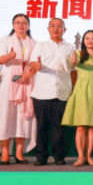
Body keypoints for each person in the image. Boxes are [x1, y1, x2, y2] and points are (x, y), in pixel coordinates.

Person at [29, 18, 75, 166]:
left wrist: (73, 89)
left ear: (64, 30)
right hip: (42, 92)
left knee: (59, 127)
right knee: (41, 127)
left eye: (59, 26)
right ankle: (41, 156)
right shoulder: (40, 45)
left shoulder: (70, 47)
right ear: (48, 29)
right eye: (52, 26)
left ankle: (59, 156)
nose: (55, 28)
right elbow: (32, 62)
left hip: (62, 92)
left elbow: (74, 70)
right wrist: (35, 65)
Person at [61, 30, 93, 167]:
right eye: (87, 38)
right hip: (81, 92)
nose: (90, 40)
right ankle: (80, 157)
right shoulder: (78, 54)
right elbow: (72, 64)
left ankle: (89, 156)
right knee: (81, 126)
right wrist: (73, 62)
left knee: (92, 127)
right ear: (83, 41)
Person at [0, 13, 37, 165]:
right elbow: (0, 60)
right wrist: (10, 56)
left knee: (23, 118)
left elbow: (36, 64)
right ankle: (5, 152)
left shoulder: (34, 43)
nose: (21, 25)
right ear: (13, 25)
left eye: (24, 23)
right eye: (18, 22)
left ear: (28, 25)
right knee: (6, 117)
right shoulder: (5, 40)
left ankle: (19, 152)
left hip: (27, 83)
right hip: (8, 85)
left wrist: (28, 75)